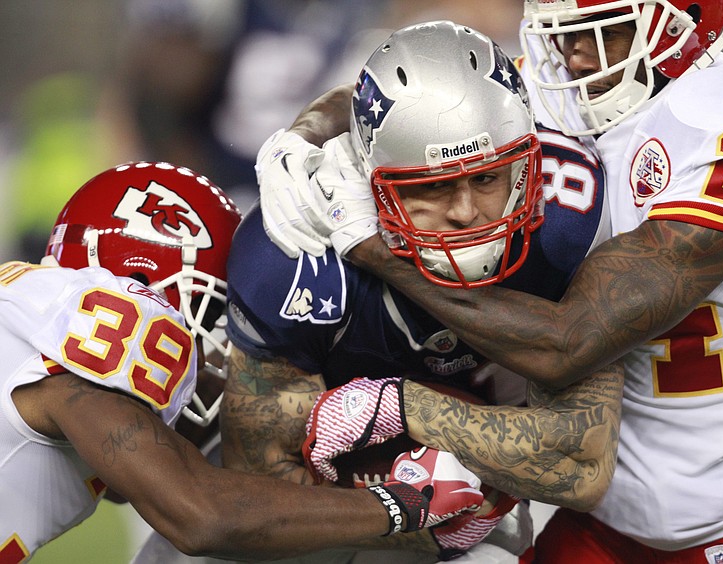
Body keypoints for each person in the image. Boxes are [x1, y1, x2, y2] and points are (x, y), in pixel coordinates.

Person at [261, 1, 723, 561]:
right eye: (563, 35)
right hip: (602, 519)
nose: (574, 56)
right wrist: (295, 141)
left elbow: (571, 341)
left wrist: (371, 247)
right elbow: (386, 99)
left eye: (603, 33)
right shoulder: (575, 89)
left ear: (679, 22)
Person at [222, 20, 622, 564]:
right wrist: (410, 517)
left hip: (484, 502)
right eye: (431, 186)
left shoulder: (565, 223)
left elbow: (582, 465)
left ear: (528, 167)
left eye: (486, 179)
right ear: (369, 179)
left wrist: (401, 407)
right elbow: (262, 485)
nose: (465, 212)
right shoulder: (297, 254)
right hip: (331, 515)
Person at [0, 161, 487, 563]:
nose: (224, 349)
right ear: (138, 291)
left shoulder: (31, 319)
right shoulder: (89, 329)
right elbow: (202, 514)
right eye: (212, 314)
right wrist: (403, 503)